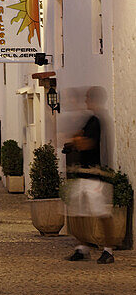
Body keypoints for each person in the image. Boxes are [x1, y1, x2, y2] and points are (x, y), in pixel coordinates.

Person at [63, 86, 116, 264]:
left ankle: (109, 250)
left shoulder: (98, 121)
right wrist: (77, 139)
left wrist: (76, 140)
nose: (85, 101)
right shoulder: (90, 120)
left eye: (88, 98)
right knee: (77, 213)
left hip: (95, 176)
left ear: (94, 100)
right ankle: (82, 248)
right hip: (83, 174)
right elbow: (78, 138)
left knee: (102, 214)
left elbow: (87, 143)